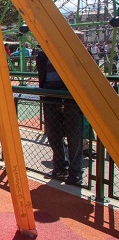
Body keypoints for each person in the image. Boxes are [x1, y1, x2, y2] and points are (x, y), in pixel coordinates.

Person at [37, 31, 85, 187]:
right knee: (53, 134)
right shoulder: (44, 55)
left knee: (74, 135)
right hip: (50, 97)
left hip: (71, 98)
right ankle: (59, 168)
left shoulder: (77, 54)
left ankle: (75, 173)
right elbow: (42, 75)